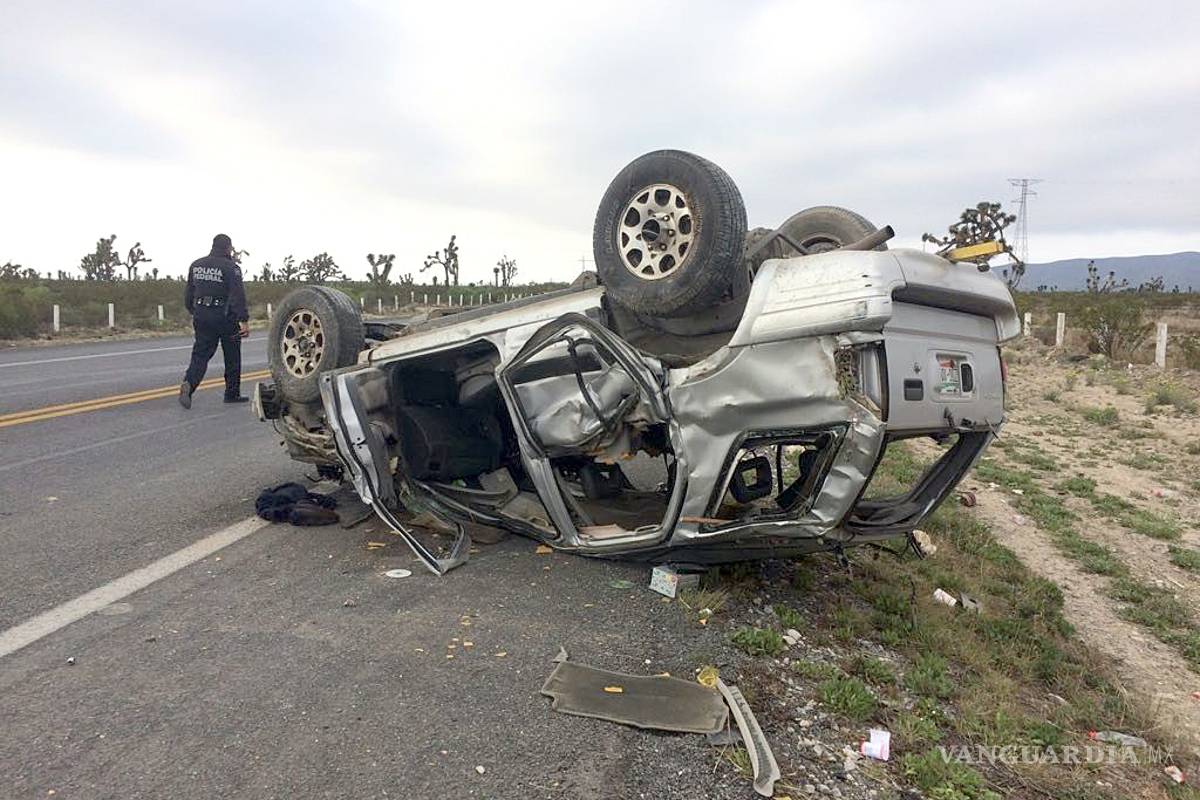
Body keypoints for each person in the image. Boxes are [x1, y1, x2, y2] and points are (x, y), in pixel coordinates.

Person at [179, 233, 250, 408]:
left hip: (201, 314)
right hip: (225, 317)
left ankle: (189, 383)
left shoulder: (196, 265)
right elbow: (237, 295)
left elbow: (189, 293)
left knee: (200, 354)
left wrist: (194, 311)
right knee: (232, 356)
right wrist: (243, 319)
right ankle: (232, 393)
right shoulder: (231, 267)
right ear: (228, 248)